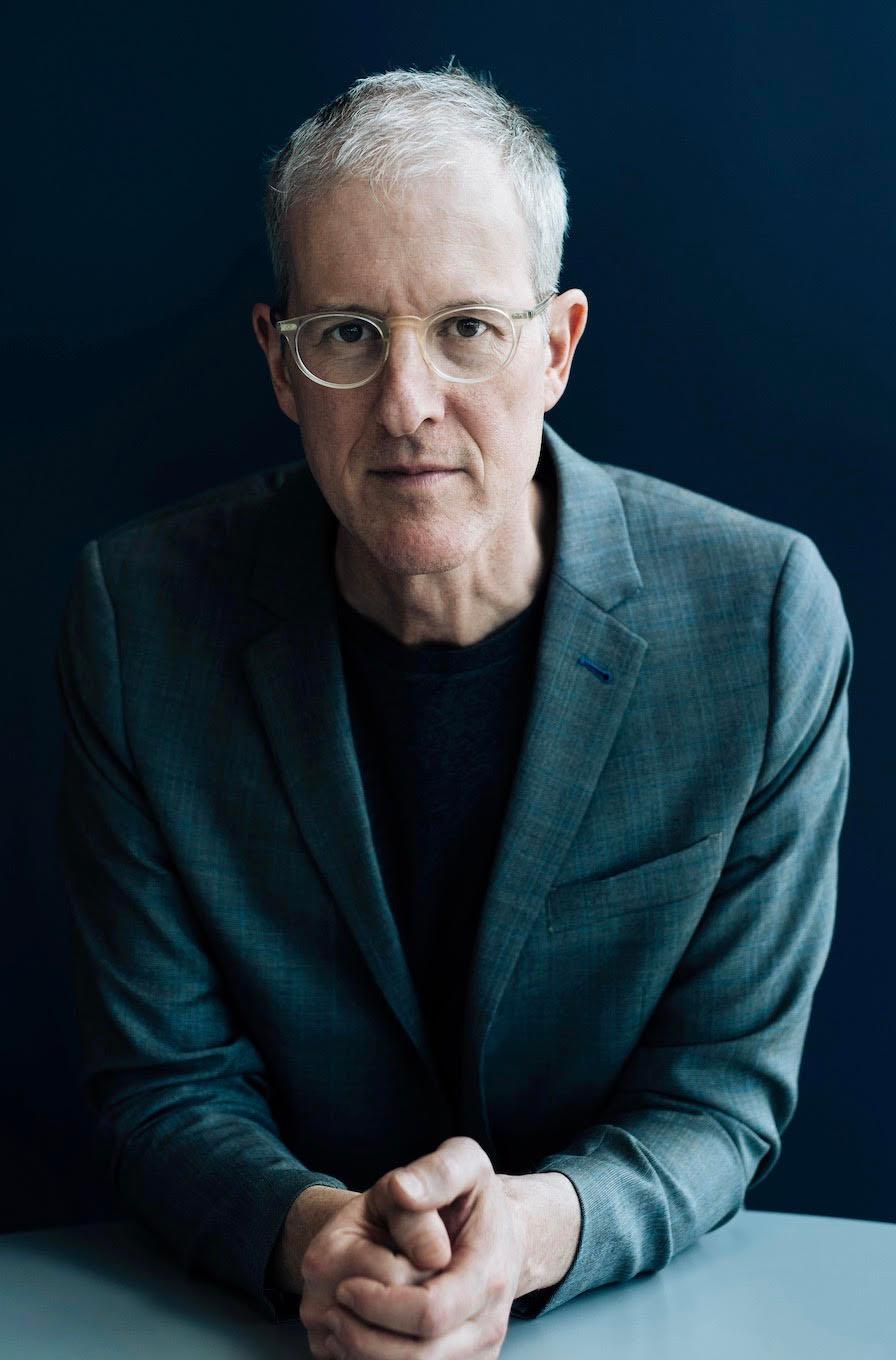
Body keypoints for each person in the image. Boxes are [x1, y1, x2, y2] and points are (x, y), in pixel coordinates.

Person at [55, 61, 852, 1360]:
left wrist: (526, 1237)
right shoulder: (138, 625)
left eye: (469, 329)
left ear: (556, 346)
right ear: (279, 362)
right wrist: (324, 1242)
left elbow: (722, 1098)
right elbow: (163, 1086)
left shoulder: (760, 623)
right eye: (349, 335)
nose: (407, 405)